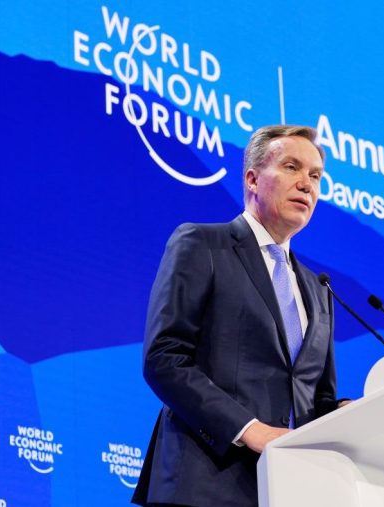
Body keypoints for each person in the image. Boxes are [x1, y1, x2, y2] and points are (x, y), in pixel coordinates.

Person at [132, 125, 346, 506]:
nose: (306, 184)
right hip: (204, 486)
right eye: (292, 167)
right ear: (252, 179)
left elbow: (318, 398)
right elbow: (164, 358)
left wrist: (349, 415)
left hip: (287, 491)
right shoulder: (202, 244)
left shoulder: (319, 290)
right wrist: (249, 429)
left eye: (315, 176)